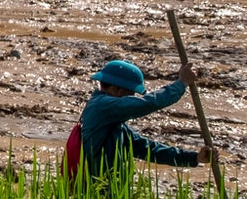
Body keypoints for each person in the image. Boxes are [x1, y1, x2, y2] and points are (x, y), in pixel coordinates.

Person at [76, 59, 210, 174]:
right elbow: (147, 103)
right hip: (94, 189)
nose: (133, 98)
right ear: (116, 89)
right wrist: (181, 84)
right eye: (131, 94)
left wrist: (194, 158)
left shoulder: (113, 122)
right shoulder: (102, 106)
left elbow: (149, 149)